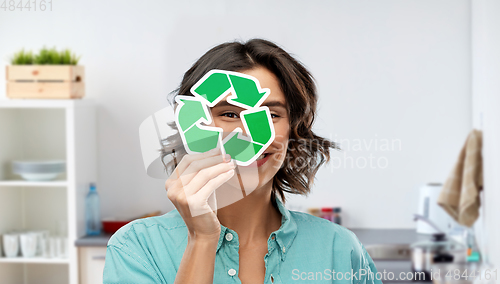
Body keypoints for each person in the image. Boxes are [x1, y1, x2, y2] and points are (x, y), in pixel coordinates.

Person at [103, 39, 381, 284]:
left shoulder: (339, 249)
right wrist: (201, 240)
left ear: (294, 130)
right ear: (191, 123)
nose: (249, 135)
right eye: (230, 114)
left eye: (271, 115)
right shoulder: (137, 247)